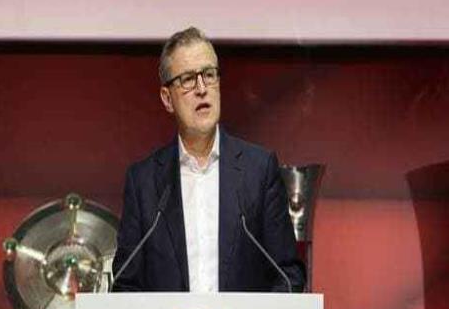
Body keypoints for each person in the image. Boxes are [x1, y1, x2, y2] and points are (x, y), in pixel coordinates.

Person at [112, 27, 305, 293]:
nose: (202, 89)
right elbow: (125, 285)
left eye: (209, 75)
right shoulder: (143, 182)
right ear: (167, 99)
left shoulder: (259, 171)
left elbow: (288, 276)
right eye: (188, 80)